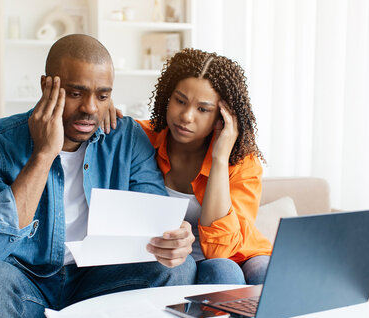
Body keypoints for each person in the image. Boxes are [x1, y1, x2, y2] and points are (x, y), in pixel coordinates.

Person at [0, 34, 196, 318]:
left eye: (102, 95)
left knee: (179, 267)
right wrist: (43, 154)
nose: (90, 108)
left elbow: (154, 217)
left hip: (96, 282)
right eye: (76, 93)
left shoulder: (126, 138)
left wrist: (174, 239)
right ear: (46, 86)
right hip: (25, 283)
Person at [103, 48, 272, 285]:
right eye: (180, 101)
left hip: (236, 253)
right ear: (167, 97)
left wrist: (220, 158)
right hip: (170, 261)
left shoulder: (241, 161)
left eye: (203, 109)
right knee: (223, 271)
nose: (186, 116)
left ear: (222, 117)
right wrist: (100, 107)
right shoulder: (141, 138)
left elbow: (220, 249)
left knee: (262, 272)